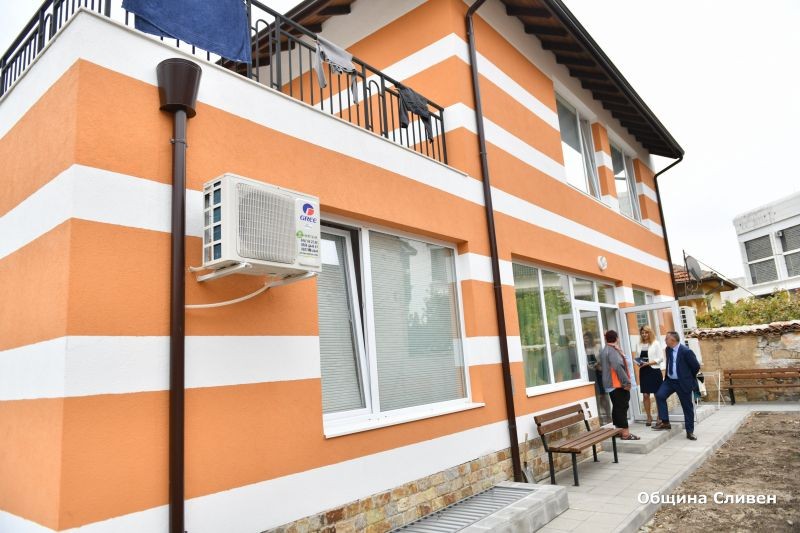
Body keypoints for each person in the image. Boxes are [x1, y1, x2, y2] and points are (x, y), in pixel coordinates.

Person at [652, 331, 701, 440]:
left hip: (682, 383)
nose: (665, 340)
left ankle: (690, 432)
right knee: (660, 395)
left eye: (666, 339)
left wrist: (687, 377)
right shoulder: (668, 349)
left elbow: (696, 367)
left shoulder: (686, 351)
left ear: (673, 340)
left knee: (687, 407)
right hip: (670, 381)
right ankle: (665, 422)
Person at [600, 330, 639, 440]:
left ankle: (619, 430)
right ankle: (625, 434)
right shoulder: (612, 350)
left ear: (606, 339)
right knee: (622, 407)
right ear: (617, 338)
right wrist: (626, 382)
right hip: (617, 384)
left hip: (612, 384)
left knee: (617, 407)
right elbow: (617, 366)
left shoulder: (606, 350)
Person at [635, 325, 664, 426]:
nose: (644, 334)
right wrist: (638, 363)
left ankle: (660, 416)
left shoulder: (656, 343)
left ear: (650, 333)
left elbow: (660, 358)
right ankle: (649, 416)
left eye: (646, 332)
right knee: (645, 395)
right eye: (642, 333)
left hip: (654, 370)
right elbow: (637, 357)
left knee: (657, 394)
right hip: (644, 371)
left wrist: (648, 363)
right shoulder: (638, 345)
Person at [584, 331, 611, 423]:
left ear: (591, 339)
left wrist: (598, 364)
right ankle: (600, 418)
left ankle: (608, 416)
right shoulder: (583, 349)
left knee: (603, 395)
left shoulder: (598, 347)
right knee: (596, 397)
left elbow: (604, 358)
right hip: (590, 374)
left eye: (587, 338)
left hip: (599, 373)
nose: (586, 340)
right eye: (584, 338)